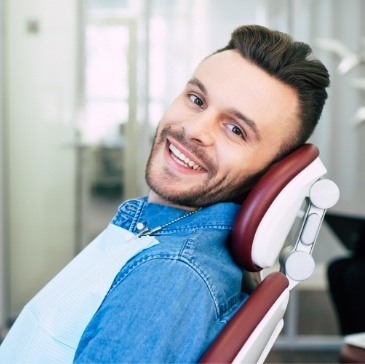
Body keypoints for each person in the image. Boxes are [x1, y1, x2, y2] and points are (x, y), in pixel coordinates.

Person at [0, 24, 330, 363]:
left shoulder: (169, 275)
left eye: (235, 130)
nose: (194, 129)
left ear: (269, 173)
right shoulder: (158, 236)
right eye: (196, 99)